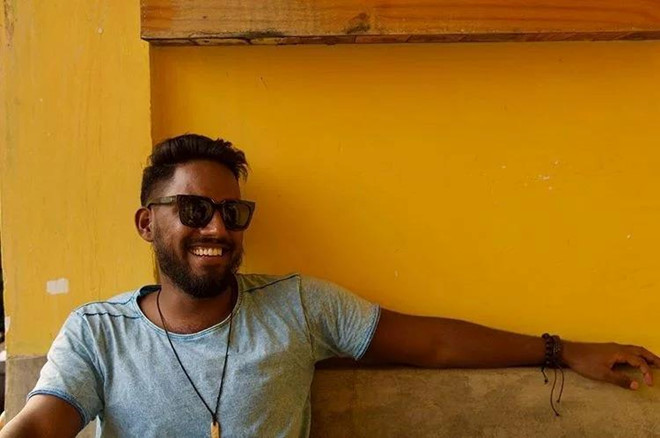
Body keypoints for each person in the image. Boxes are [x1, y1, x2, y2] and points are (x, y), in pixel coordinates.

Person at [1, 134, 658, 438]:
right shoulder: (99, 332)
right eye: (194, 210)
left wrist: (563, 350)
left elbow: (430, 343)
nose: (217, 229)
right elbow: (39, 427)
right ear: (148, 223)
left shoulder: (297, 305)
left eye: (233, 212)